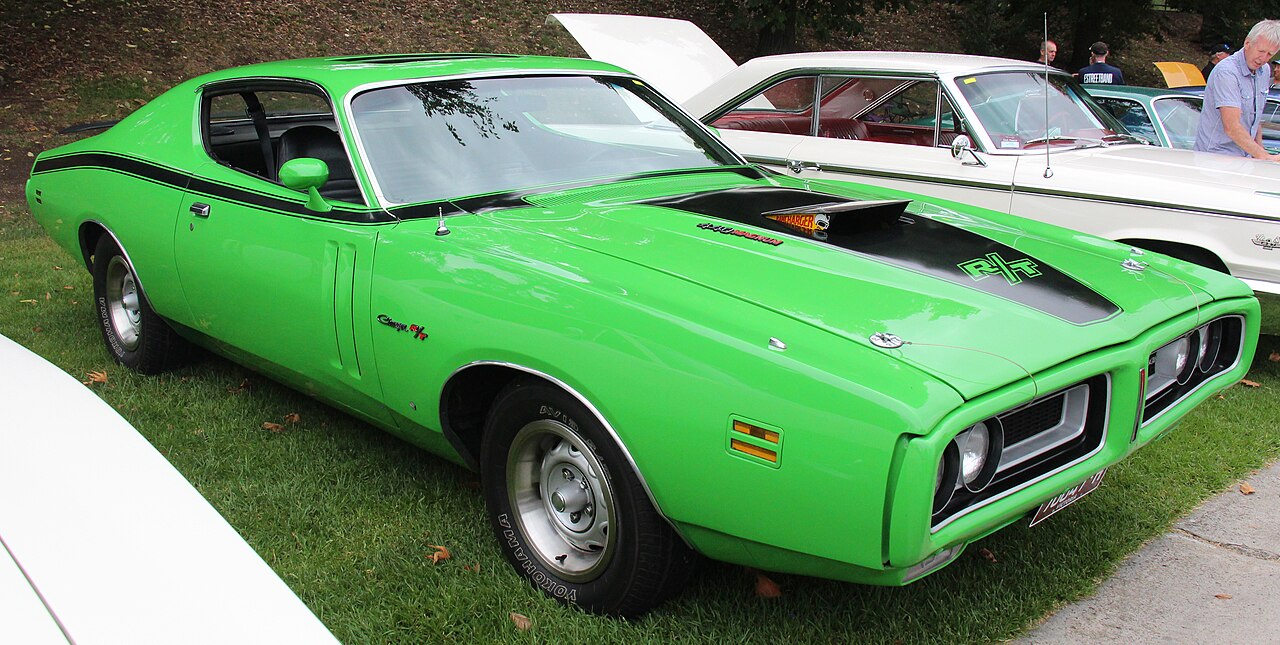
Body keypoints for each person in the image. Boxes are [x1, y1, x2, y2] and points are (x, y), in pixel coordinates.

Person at [1194, 20, 1280, 159]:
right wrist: (1265, 156)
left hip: (1245, 158)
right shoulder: (1227, 72)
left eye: (1270, 54)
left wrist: (1261, 152)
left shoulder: (1264, 71)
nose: (1263, 59)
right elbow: (1232, 127)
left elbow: (1254, 118)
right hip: (1215, 159)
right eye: (1261, 51)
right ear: (1247, 43)